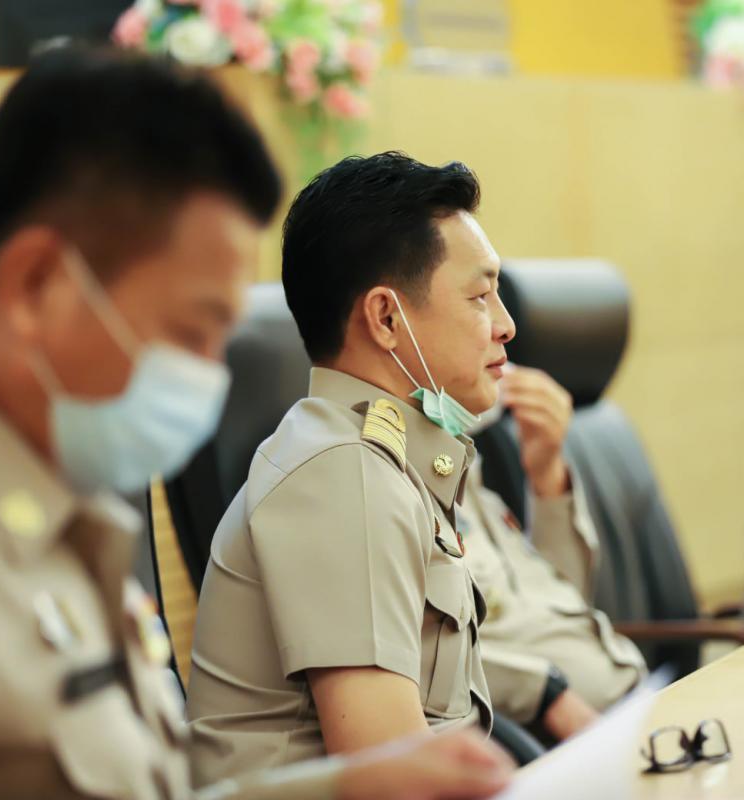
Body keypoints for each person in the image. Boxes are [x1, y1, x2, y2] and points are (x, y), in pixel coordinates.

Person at [0, 49, 512, 800]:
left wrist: (342, 787)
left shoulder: (61, 518)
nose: (209, 376)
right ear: (39, 284)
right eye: (188, 331)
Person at [186, 152, 511, 784]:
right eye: (479, 297)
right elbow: (394, 780)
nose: (506, 325)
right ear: (386, 318)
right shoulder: (345, 474)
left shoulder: (383, 461)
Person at [461, 366, 646, 741]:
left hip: (631, 705)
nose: (503, 335)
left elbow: (564, 598)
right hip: (556, 744)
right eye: (476, 305)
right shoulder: (386, 484)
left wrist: (545, 471)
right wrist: (544, 693)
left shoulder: (466, 472)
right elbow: (422, 659)